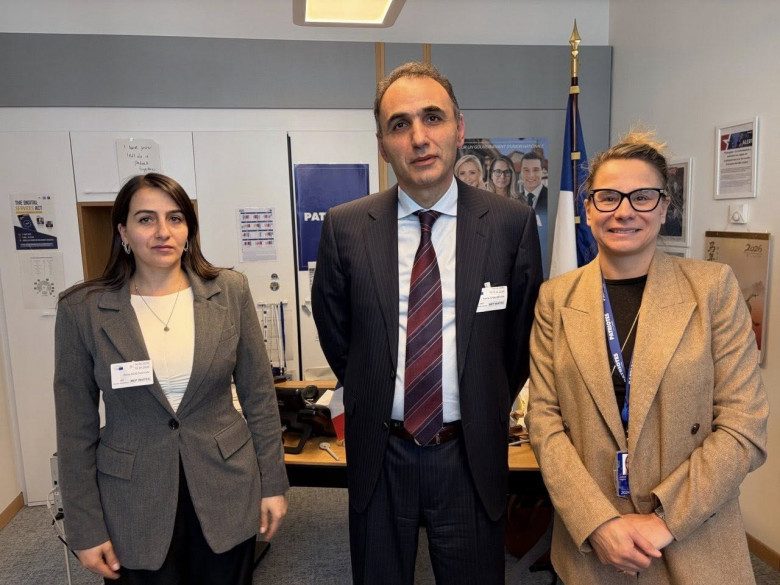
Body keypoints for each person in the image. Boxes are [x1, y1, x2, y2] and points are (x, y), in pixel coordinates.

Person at [311, 62, 542, 585]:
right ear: (382, 144)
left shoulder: (511, 225)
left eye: (432, 117)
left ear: (459, 128)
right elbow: (337, 333)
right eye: (400, 124)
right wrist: (375, 387)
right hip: (380, 452)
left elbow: (520, 339)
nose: (418, 137)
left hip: (469, 455)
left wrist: (482, 400)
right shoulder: (346, 227)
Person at [525, 131, 768, 584]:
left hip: (695, 536)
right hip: (593, 546)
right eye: (608, 197)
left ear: (663, 207)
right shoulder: (555, 299)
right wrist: (597, 522)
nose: (624, 211)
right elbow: (544, 419)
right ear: (588, 209)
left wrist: (664, 521)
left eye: (642, 197)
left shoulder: (713, 288)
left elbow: (744, 426)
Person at [54, 173, 289, 584]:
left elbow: (259, 396)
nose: (163, 231)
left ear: (188, 229)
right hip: (133, 498)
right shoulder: (83, 309)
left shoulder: (229, 291)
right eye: (146, 219)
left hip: (225, 484)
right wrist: (85, 527)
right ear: (123, 232)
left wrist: (274, 483)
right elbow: (75, 429)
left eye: (175, 218)